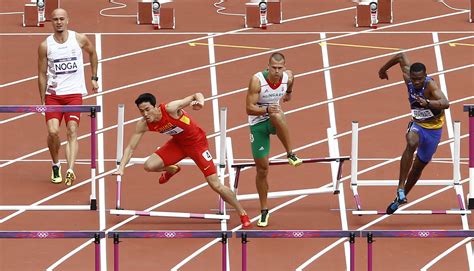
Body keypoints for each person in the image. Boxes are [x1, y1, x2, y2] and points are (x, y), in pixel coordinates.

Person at [113, 92, 251, 228]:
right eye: (141, 111)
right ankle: (172, 169)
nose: (145, 114)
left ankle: (242, 213)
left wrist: (200, 104)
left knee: (215, 185)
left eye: (147, 110)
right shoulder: (143, 124)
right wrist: (121, 168)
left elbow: (196, 95)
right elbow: (131, 147)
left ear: (155, 107)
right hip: (178, 144)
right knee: (149, 165)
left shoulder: (170, 109)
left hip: (197, 145)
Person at [378, 52, 449, 214]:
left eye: (420, 79)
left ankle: (399, 199)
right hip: (418, 125)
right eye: (414, 78)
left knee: (418, 168)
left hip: (434, 130)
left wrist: (429, 103)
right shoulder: (408, 78)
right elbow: (401, 56)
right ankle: (400, 186)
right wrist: (383, 70)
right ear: (410, 75)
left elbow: (445, 103)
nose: (416, 82)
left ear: (425, 76)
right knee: (411, 142)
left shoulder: (431, 86)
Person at [38, 8, 99, 186]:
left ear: (67, 20)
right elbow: (41, 74)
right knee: (53, 132)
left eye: (61, 19)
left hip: (74, 94)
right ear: (51, 21)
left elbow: (93, 53)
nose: (58, 22)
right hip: (53, 95)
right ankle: (56, 164)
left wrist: (94, 78)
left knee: (72, 130)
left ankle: (70, 169)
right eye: (55, 19)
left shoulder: (79, 39)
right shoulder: (45, 46)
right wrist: (42, 99)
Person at [246, 52, 303, 227]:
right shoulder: (257, 81)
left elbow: (291, 81)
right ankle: (264, 211)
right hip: (258, 124)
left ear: (284, 68)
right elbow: (249, 108)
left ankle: (290, 154)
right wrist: (266, 110)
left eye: (280, 68)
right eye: (274, 68)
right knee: (262, 170)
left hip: (275, 119)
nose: (277, 71)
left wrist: (289, 94)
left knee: (278, 115)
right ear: (268, 66)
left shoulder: (288, 77)